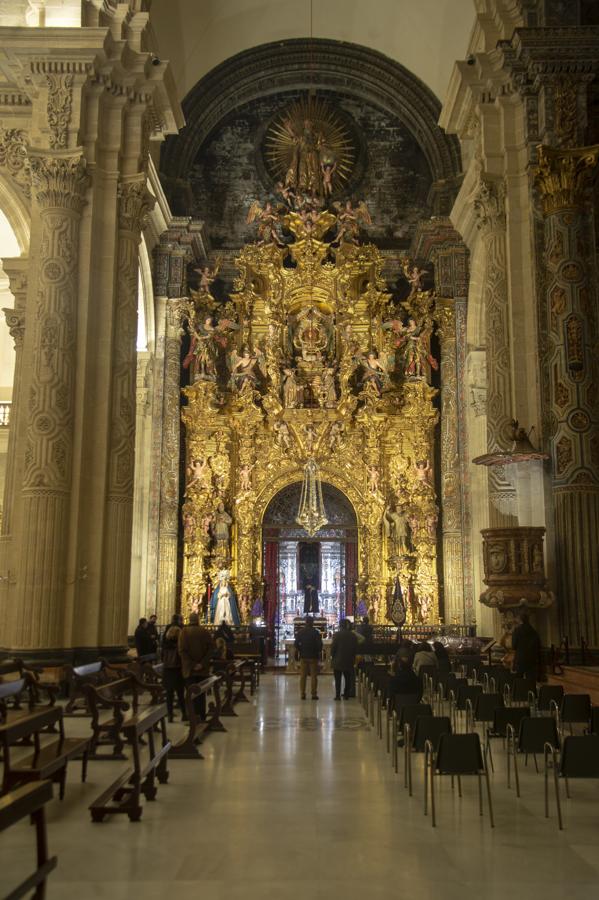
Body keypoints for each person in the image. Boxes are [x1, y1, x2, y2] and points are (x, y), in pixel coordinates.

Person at [178, 613, 215, 720]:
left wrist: (192, 664)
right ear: (198, 620)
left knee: (190, 694)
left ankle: (192, 717)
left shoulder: (184, 632)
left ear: (189, 620)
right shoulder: (204, 631)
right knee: (201, 694)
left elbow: (182, 651)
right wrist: (201, 664)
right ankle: (202, 716)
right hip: (202, 669)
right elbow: (211, 649)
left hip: (189, 669)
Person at [161, 624, 187, 723]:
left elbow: (162, 657)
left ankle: (170, 715)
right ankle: (184, 714)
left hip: (167, 671)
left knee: (169, 695)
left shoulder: (165, 645)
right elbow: (182, 658)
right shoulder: (179, 645)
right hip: (177, 670)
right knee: (180, 694)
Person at [295, 616, 323, 700]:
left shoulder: (301, 632)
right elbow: (320, 645)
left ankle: (302, 694)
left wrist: (301, 650)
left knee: (303, 676)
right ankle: (313, 694)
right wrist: (317, 651)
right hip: (313, 656)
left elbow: (296, 643)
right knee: (314, 676)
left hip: (303, 656)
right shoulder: (316, 632)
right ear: (313, 622)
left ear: (305, 622)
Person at [331, 619, 359, 700]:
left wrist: (333, 656)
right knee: (348, 678)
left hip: (337, 660)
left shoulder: (337, 635)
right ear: (347, 625)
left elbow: (333, 648)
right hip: (349, 659)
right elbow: (355, 648)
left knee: (338, 679)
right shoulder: (352, 635)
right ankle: (346, 694)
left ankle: (337, 695)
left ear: (340, 625)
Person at [511, 612, 541, 680]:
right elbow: (538, 644)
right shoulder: (533, 631)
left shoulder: (517, 630)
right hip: (532, 658)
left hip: (520, 658)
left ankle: (520, 690)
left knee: (518, 679)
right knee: (530, 679)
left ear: (520, 620)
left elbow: (514, 646)